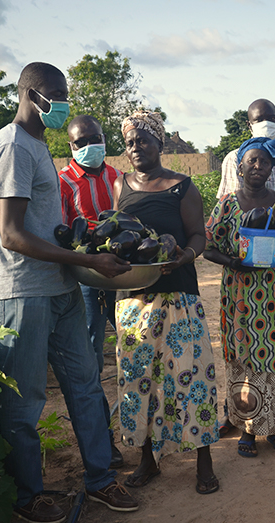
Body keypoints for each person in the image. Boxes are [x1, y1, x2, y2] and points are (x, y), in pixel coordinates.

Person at [0, 62, 138, 523]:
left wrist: (85, 247)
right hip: (23, 293)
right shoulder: (12, 147)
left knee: (86, 384)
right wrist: (89, 261)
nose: (63, 103)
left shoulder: (34, 145)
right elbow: (12, 235)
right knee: (24, 400)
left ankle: (99, 477)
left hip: (60, 286)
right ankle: (27, 494)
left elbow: (46, 224)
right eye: (56, 94)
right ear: (32, 94)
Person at [112, 110, 220, 495]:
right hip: (133, 301)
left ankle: (203, 461)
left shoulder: (182, 187)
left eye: (143, 139)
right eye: (129, 142)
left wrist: (184, 257)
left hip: (179, 295)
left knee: (191, 378)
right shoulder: (120, 186)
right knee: (138, 381)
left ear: (159, 143)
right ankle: (147, 459)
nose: (135, 147)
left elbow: (197, 237)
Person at [204, 137, 275, 457]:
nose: (258, 167)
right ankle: (247, 429)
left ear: (271, 168)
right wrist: (232, 261)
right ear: (240, 168)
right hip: (240, 298)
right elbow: (206, 246)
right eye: (252, 161)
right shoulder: (226, 205)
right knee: (244, 361)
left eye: (264, 162)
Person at [58, 114, 124, 469]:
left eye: (94, 139)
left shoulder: (117, 176)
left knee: (135, 347)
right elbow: (62, 234)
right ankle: (105, 440)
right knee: (90, 362)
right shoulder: (64, 182)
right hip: (86, 282)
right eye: (81, 142)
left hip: (123, 276)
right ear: (71, 146)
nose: (88, 147)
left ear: (103, 139)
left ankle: (141, 430)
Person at [216, 98, 275, 198]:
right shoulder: (235, 158)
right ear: (249, 125)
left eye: (271, 119)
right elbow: (232, 203)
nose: (266, 124)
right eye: (259, 120)